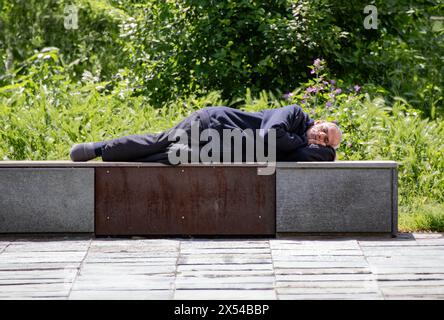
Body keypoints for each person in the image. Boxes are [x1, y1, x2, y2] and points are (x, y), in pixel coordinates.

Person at [69, 104, 341, 163]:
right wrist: (296, 141)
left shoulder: (302, 144)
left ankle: (121, 161)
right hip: (212, 122)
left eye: (326, 142)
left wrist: (325, 153)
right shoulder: (294, 113)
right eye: (324, 131)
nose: (320, 138)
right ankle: (99, 148)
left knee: (172, 158)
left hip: (221, 145)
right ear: (320, 121)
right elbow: (270, 135)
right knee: (162, 140)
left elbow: (313, 156)